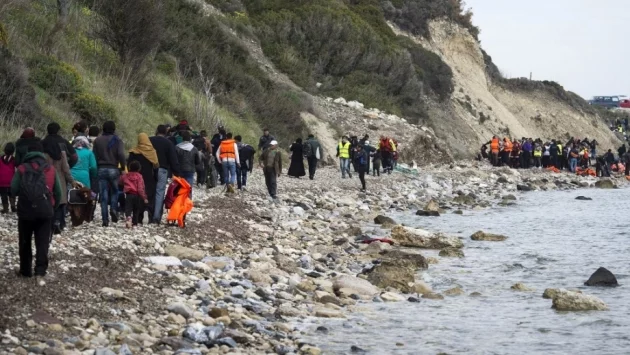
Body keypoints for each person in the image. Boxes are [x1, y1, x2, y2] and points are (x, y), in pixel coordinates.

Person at [12, 142, 62, 278]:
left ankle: (25, 270)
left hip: (26, 211)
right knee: (42, 242)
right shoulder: (50, 169)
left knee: (25, 241)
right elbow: (58, 192)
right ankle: (40, 271)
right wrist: (52, 206)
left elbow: (13, 189)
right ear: (42, 153)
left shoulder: (22, 168)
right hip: (45, 211)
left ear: (28, 153)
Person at [42, 122, 78, 234]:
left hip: (46, 175)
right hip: (61, 174)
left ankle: (48, 223)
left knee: (47, 198)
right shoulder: (63, 142)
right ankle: (59, 222)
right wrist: (69, 170)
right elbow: (74, 157)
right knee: (61, 199)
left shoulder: (43, 143)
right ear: (58, 130)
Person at [93, 121, 126, 227]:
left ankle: (105, 219)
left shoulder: (98, 140)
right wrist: (123, 166)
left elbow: (94, 155)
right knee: (115, 191)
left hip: (101, 168)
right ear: (114, 129)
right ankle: (113, 208)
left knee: (103, 194)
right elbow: (121, 154)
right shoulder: (118, 140)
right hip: (113, 169)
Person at [150, 125, 180, 224]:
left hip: (150, 169)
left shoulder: (150, 140)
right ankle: (156, 217)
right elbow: (173, 159)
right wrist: (176, 173)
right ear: (166, 132)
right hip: (162, 170)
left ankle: (147, 212)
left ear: (156, 131)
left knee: (149, 191)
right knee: (160, 192)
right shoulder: (168, 143)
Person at [128, 133, 158, 223]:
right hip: (149, 177)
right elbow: (156, 166)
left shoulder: (134, 152)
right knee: (149, 195)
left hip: (136, 178)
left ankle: (139, 216)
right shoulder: (152, 151)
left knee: (138, 195)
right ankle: (148, 212)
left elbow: (129, 165)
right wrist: (155, 178)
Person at [121, 161, 148, 228]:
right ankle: (135, 223)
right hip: (137, 195)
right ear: (139, 168)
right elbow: (140, 188)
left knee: (128, 208)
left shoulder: (126, 175)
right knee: (136, 209)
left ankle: (128, 219)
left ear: (129, 168)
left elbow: (121, 181)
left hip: (129, 195)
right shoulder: (139, 176)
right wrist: (144, 197)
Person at [176, 130, 201, 196]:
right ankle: (188, 201)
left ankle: (179, 201)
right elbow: (197, 161)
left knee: (180, 186)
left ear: (182, 139)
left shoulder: (177, 147)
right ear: (190, 139)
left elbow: (174, 159)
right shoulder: (194, 148)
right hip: (190, 169)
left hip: (180, 169)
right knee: (189, 187)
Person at [0, 143, 16, 213]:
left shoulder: (0, 159)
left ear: (4, 150)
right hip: (11, 181)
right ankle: (13, 207)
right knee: (12, 194)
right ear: (13, 151)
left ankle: (5, 209)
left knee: (3, 195)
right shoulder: (14, 160)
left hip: (1, 181)